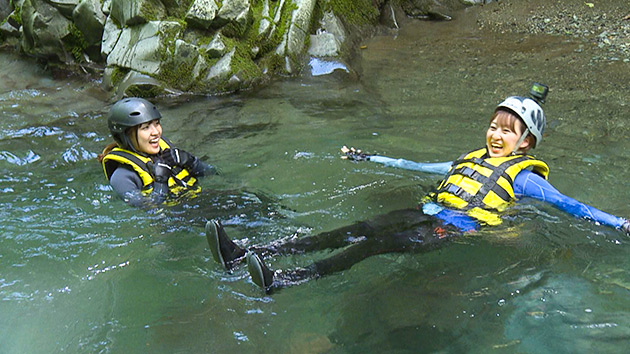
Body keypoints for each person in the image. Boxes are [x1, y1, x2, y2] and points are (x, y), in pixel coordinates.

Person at [205, 83, 630, 292]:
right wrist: (367, 158)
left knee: (373, 246)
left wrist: (622, 224)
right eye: (493, 126)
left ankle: (284, 280)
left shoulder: (526, 178)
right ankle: (245, 252)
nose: (496, 135)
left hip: (452, 230)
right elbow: (413, 164)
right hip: (424, 212)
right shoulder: (469, 160)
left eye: (508, 131)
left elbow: (574, 207)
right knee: (356, 229)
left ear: (527, 143)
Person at [98, 97, 216, 208]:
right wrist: (161, 182)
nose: (156, 132)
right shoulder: (121, 177)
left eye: (157, 123)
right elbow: (150, 209)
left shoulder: (168, 153)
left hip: (202, 200)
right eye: (145, 127)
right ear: (124, 136)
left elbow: (213, 173)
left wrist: (191, 161)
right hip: (176, 217)